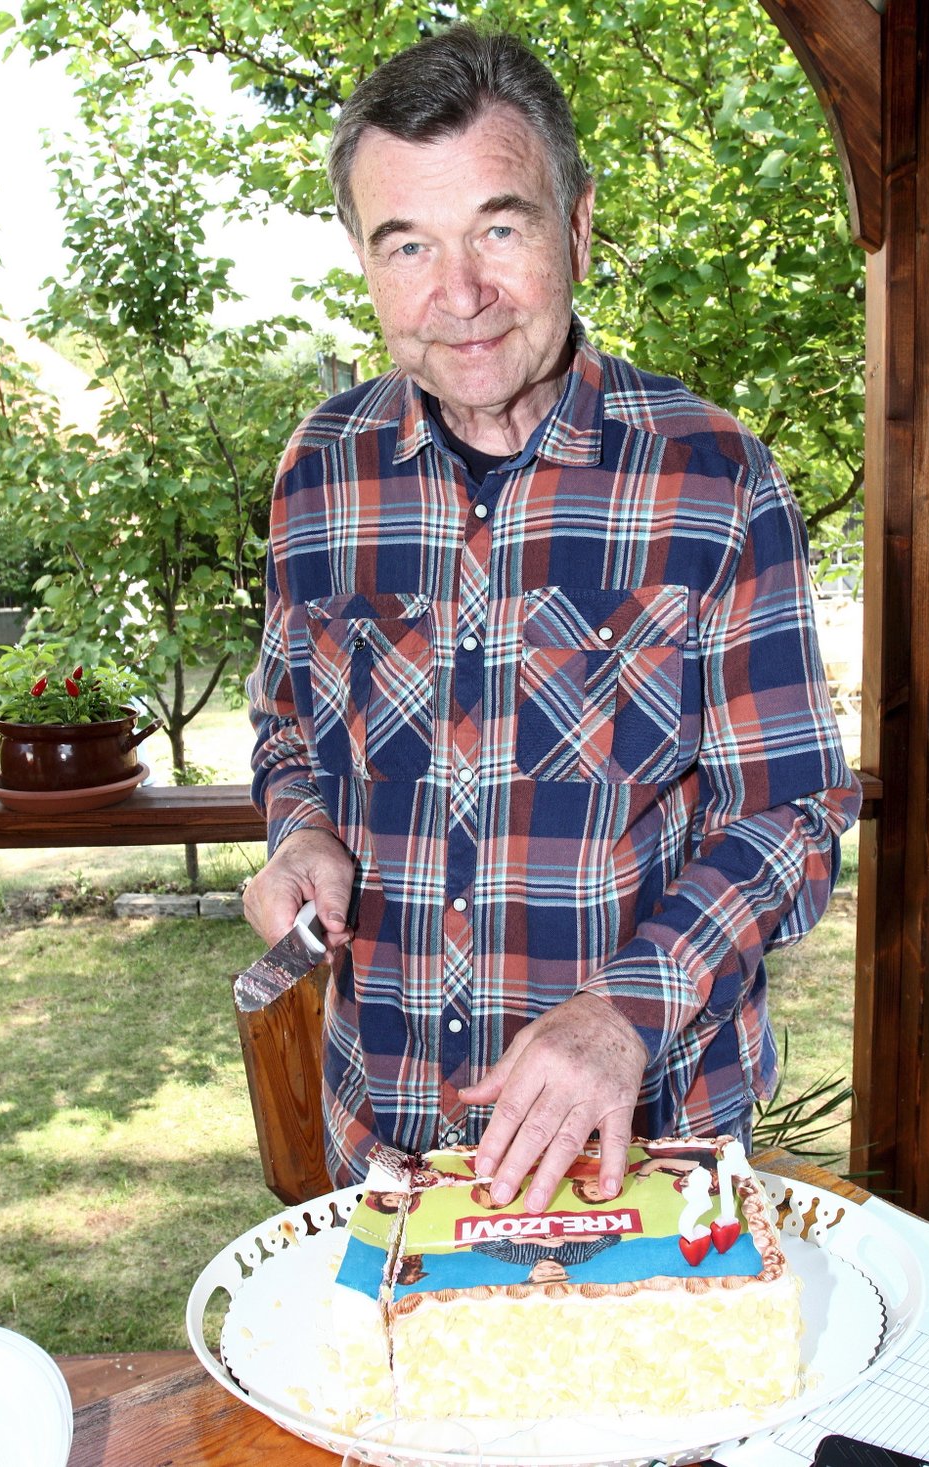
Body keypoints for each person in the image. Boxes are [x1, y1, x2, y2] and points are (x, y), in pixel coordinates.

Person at [244, 23, 861, 1218]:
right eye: (408, 244)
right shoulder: (321, 472)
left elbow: (791, 817)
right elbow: (287, 728)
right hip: (386, 1148)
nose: (458, 295)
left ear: (576, 225)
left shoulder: (714, 476)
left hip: (648, 1153)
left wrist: (621, 1009)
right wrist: (300, 831)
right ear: (364, 262)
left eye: (500, 229)